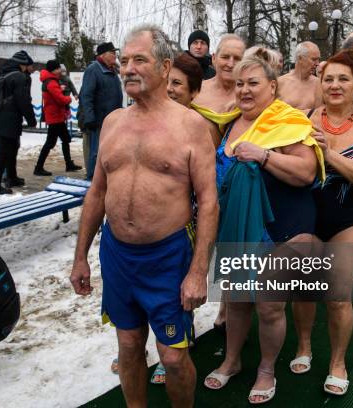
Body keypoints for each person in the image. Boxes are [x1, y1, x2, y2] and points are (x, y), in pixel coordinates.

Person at [70, 24, 218, 407]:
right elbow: (97, 192)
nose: (128, 68)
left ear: (165, 67)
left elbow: (209, 201)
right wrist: (80, 257)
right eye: (123, 60)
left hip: (168, 257)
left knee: (172, 355)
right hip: (119, 256)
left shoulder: (191, 126)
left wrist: (198, 270)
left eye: (140, 60)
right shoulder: (113, 123)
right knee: (129, 346)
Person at [203, 49, 325, 405]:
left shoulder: (287, 120)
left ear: (272, 87)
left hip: (284, 224)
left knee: (269, 305)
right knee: (238, 300)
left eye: (253, 83)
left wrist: (265, 155)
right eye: (239, 83)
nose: (244, 90)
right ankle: (231, 360)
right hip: (240, 226)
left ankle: (266, 368)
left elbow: (305, 173)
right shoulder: (228, 123)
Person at [292, 50, 353, 396]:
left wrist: (328, 153)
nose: (334, 84)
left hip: (348, 220)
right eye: (328, 78)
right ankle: (303, 346)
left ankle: (338, 362)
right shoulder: (308, 117)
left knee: (338, 296)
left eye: (343, 78)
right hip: (307, 215)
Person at [191, 33, 245, 332]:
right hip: (196, 181)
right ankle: (181, 315)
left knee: (231, 246)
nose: (230, 63)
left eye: (238, 58)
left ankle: (227, 309)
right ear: (214, 58)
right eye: (226, 56)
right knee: (194, 247)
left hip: (235, 183)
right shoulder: (196, 93)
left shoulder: (250, 94)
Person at [0, 50, 37, 195]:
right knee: (3, 152)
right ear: (23, 64)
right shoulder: (19, 77)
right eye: (30, 65)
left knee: (12, 147)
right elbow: (23, 101)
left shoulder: (3, 73)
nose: (32, 68)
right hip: (8, 119)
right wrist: (31, 120)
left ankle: (11, 177)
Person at [79, 41, 123, 180]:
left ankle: (104, 178)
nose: (115, 56)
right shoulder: (94, 69)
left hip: (112, 120)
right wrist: (90, 118)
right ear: (103, 55)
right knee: (96, 152)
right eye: (112, 53)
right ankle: (92, 180)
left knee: (109, 151)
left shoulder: (112, 70)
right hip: (98, 120)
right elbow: (86, 95)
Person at [34, 59, 82, 176]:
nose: (60, 70)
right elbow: (60, 99)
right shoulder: (51, 82)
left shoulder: (51, 81)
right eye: (58, 68)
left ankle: (69, 164)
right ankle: (38, 168)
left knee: (65, 139)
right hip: (55, 117)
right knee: (50, 142)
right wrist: (69, 98)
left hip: (57, 116)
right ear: (54, 70)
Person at [277, 41, 322, 110]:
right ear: (300, 58)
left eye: (318, 59)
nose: (317, 64)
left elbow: (320, 114)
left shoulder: (319, 84)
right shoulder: (280, 83)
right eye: (314, 59)